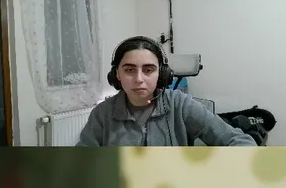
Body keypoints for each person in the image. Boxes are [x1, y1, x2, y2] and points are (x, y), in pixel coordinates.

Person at [77, 36, 256, 147]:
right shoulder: (102, 113)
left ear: (162, 74)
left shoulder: (181, 105)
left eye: (148, 70)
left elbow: (238, 141)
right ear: (116, 74)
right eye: (129, 70)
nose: (139, 79)